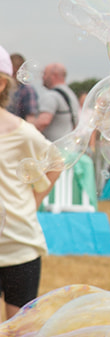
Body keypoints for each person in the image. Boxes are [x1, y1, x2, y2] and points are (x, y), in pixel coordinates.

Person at [0, 49, 59, 318]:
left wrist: (33, 203)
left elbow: (56, 163)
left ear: (1, 83)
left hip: (19, 247)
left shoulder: (22, 132)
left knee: (17, 336)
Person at [37, 64, 80, 143]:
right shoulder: (71, 94)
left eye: (45, 74)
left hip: (53, 148)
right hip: (68, 146)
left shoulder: (51, 95)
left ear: (54, 75)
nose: (43, 77)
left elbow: (43, 122)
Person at [7, 55, 40, 126]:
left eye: (15, 73)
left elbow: (30, 119)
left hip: (17, 132)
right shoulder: (5, 89)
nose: (12, 77)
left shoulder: (27, 90)